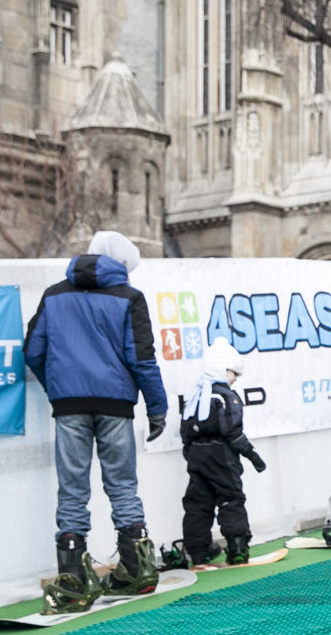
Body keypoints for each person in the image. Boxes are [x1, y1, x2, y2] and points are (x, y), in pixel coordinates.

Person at [23, 230, 167, 612]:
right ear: (121, 265)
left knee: (72, 489)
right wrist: (157, 408)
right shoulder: (129, 298)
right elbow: (142, 359)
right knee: (121, 484)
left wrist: (57, 385)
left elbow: (33, 349)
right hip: (116, 402)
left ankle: (72, 579)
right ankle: (136, 570)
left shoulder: (55, 295)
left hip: (69, 403)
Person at [179, 337, 265, 566]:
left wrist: (191, 454)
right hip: (221, 454)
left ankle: (197, 552)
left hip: (197, 455)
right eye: (233, 372)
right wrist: (252, 456)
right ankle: (237, 547)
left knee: (197, 503)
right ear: (221, 368)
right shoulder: (226, 397)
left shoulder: (195, 398)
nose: (235, 378)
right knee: (230, 498)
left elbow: (185, 431)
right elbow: (233, 432)